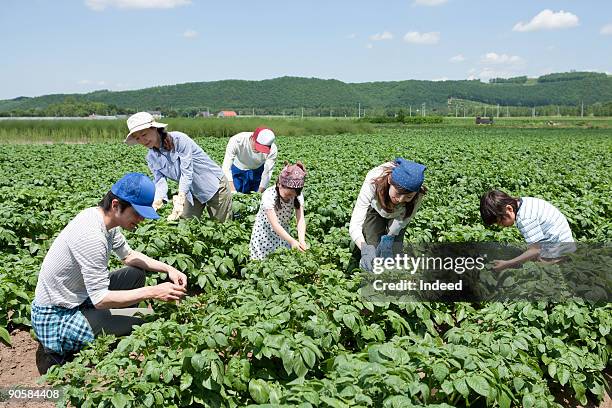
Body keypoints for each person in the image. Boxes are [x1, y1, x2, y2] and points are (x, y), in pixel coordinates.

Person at [31, 173, 188, 360]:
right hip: (58, 317)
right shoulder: (91, 235)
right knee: (143, 317)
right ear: (115, 205)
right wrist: (153, 292)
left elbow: (129, 256)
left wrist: (169, 269)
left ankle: (117, 319)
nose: (141, 220)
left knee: (135, 274)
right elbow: (100, 299)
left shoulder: (105, 221)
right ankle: (73, 341)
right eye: (137, 213)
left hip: (80, 298)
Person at [124, 111, 232, 222]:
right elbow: (159, 181)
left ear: (155, 129)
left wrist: (180, 198)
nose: (142, 140)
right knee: (185, 224)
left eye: (144, 134)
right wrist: (157, 200)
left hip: (214, 186)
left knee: (220, 225)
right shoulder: (151, 157)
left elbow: (187, 172)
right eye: (137, 138)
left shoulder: (179, 140)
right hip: (191, 191)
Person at [349, 158, 427, 272]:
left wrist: (390, 235)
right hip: (376, 209)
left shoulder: (418, 194)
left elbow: (405, 218)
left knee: (394, 252)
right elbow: (355, 223)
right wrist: (364, 248)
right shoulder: (374, 178)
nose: (400, 200)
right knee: (373, 250)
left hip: (398, 215)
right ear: (390, 180)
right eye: (398, 193)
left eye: (408, 197)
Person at [480, 190, 575, 272]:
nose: (500, 226)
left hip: (560, 248)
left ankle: (561, 262)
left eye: (499, 221)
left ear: (509, 209)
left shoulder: (525, 218)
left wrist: (508, 263)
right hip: (563, 239)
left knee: (533, 270)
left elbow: (536, 251)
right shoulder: (522, 202)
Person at [250, 162, 308, 260]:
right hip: (264, 234)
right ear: (279, 184)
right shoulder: (269, 195)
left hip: (284, 234)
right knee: (261, 265)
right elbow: (275, 224)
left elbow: (300, 219)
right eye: (288, 194)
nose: (291, 198)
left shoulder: (297, 196)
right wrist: (292, 241)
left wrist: (301, 240)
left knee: (282, 263)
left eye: (293, 195)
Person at [222, 127, 277, 194]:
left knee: (255, 195)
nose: (258, 150)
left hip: (258, 170)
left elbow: (267, 172)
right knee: (234, 191)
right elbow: (226, 167)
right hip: (238, 168)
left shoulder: (273, 149)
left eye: (263, 148)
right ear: (252, 138)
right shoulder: (237, 140)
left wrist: (259, 193)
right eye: (257, 146)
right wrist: (233, 191)